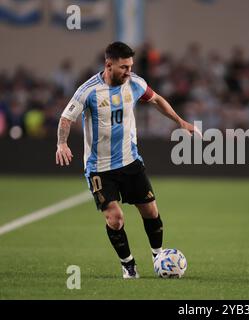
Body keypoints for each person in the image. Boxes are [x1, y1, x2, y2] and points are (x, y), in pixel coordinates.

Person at [55, 42, 199, 279]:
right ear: (108, 65)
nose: (128, 71)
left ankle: (158, 256)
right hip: (99, 168)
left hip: (130, 162)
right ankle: (128, 265)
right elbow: (66, 118)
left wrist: (180, 122)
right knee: (115, 219)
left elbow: (157, 100)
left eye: (130, 66)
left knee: (151, 212)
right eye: (123, 67)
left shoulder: (134, 83)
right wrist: (62, 143)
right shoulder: (88, 90)